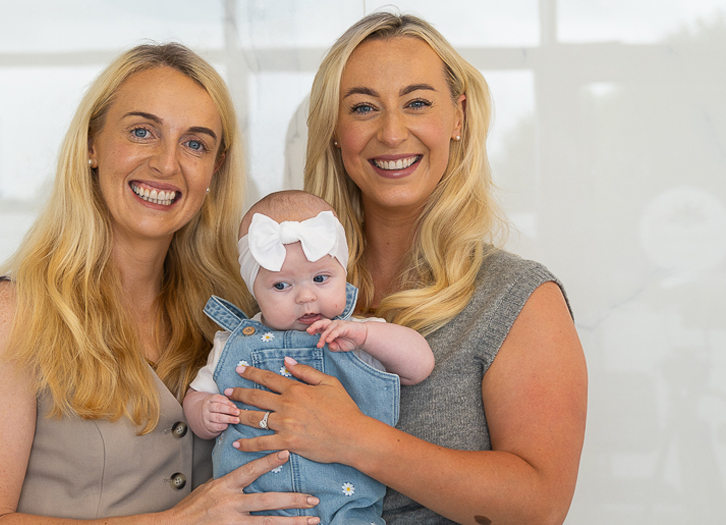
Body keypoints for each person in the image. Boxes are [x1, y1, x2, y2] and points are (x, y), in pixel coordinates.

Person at [225, 13, 589, 525]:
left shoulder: (518, 297)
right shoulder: (275, 282)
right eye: (364, 108)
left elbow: (539, 506)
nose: (392, 132)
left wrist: (355, 439)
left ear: (458, 117)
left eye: (417, 103)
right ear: (334, 128)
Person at [0, 43, 322, 525]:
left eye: (196, 144)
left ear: (214, 171)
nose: (166, 163)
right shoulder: (12, 313)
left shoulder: (230, 314)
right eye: (142, 132)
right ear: (92, 145)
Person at [183, 190, 434, 524]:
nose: (305, 296)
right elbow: (197, 395)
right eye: (281, 286)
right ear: (254, 290)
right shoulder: (232, 343)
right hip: (252, 511)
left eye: (320, 279)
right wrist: (203, 412)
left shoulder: (361, 334)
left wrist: (368, 335)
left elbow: (420, 365)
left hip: (346, 510)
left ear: (343, 274)